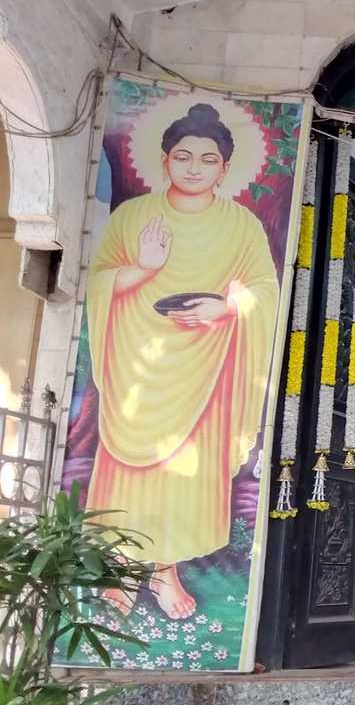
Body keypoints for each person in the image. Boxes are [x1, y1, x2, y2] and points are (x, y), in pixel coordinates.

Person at [89, 103, 278, 620]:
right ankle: (123, 567)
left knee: (182, 474)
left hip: (206, 366)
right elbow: (99, 284)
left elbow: (265, 290)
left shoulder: (240, 225)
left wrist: (227, 308)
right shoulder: (132, 217)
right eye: (184, 156)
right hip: (137, 363)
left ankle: (163, 570)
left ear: (225, 167)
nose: (195, 168)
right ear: (165, 159)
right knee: (132, 471)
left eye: (208, 159)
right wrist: (145, 269)